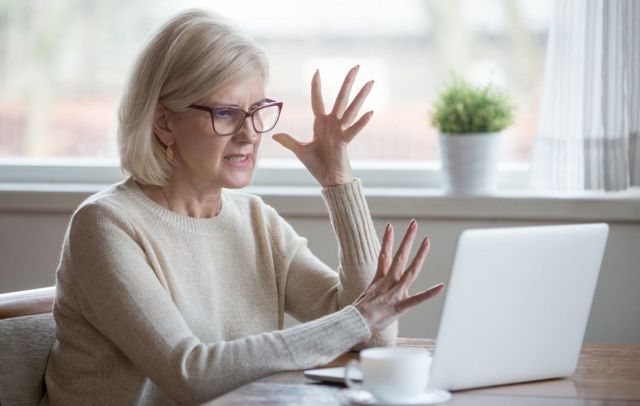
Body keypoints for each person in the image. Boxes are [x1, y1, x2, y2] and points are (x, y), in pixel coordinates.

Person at [42, 9, 444, 405]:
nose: (250, 134)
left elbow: (371, 337)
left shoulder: (256, 221)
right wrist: (359, 318)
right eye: (226, 113)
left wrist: (337, 181)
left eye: (256, 112)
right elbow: (191, 374)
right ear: (164, 123)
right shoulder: (105, 225)